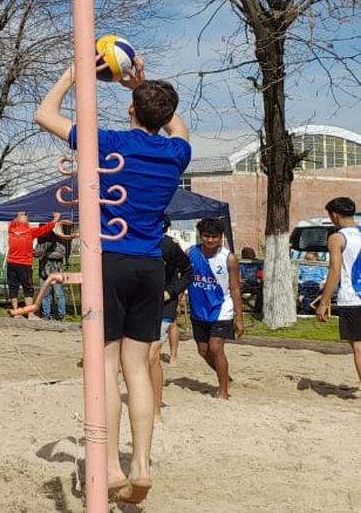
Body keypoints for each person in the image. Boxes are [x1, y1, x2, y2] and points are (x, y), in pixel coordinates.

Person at [35, 54, 190, 504]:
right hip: (149, 265)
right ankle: (141, 463)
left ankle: (112, 466)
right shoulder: (176, 152)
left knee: (104, 367)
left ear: (131, 111)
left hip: (110, 259)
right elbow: (177, 127)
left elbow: (44, 114)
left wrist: (74, 73)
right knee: (138, 368)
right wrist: (140, 87)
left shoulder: (108, 143)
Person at [186, 218, 242, 399]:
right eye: (206, 236)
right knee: (204, 351)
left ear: (221, 238)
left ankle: (223, 391)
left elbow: (235, 288)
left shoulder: (229, 258)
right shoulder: (190, 253)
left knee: (216, 347)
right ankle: (224, 375)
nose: (210, 241)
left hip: (221, 309)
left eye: (214, 237)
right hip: (198, 309)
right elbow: (184, 279)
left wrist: (239, 317)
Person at [316, 196, 361, 384]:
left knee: (358, 348)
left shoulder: (337, 238)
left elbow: (334, 270)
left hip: (351, 298)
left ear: (334, 215)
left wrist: (324, 301)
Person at [153, 217, 192, 421]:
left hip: (163, 305)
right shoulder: (131, 243)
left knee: (152, 356)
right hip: (137, 306)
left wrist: (172, 292)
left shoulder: (168, 245)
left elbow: (188, 272)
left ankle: (156, 406)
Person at [6, 211, 62, 317]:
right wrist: (56, 218)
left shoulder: (12, 229)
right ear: (28, 222)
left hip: (11, 263)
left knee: (13, 288)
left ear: (17, 221)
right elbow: (46, 228)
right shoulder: (30, 231)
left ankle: (15, 311)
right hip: (24, 264)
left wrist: (19, 214)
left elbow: (13, 220)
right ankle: (30, 313)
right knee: (28, 289)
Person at [36, 219, 76, 320]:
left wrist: (46, 254)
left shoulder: (58, 238)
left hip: (55, 270)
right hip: (43, 271)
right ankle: (46, 314)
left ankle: (61, 314)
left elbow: (60, 253)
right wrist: (36, 253)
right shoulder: (40, 239)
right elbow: (37, 251)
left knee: (59, 294)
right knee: (44, 294)